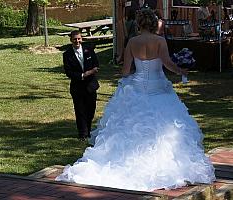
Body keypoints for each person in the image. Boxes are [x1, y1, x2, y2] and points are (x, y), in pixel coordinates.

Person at [56, 9, 215, 192]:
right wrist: (181, 71)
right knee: (166, 123)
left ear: (139, 24)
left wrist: (130, 76)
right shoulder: (159, 41)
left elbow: (125, 71)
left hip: (138, 87)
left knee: (130, 123)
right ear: (154, 24)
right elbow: (166, 63)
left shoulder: (132, 42)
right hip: (159, 88)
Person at [63, 30, 100, 141]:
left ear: (81, 39)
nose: (77, 41)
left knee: (91, 109)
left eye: (79, 38)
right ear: (71, 40)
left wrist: (93, 71)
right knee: (80, 110)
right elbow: (68, 72)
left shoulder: (89, 50)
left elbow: (96, 64)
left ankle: (88, 129)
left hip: (91, 85)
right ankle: (83, 134)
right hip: (77, 87)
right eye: (75, 39)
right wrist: (83, 75)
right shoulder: (67, 55)